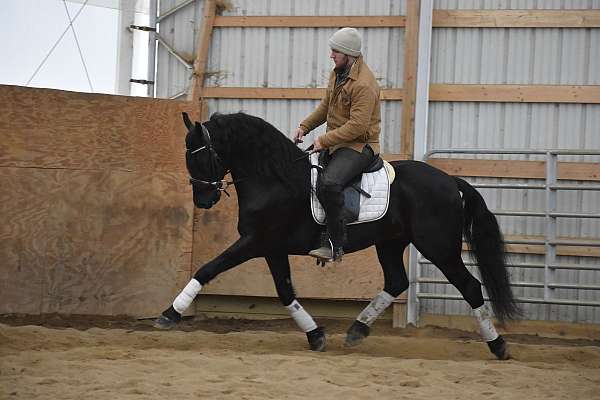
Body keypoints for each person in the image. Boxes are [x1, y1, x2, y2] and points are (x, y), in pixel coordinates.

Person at [293, 27, 381, 262]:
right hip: (337, 144)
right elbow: (326, 106)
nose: (331, 55)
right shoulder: (338, 73)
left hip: (359, 147)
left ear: (348, 54)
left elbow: (357, 127)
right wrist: (305, 126)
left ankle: (335, 244)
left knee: (329, 184)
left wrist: (323, 140)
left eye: (335, 51)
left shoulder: (364, 85)